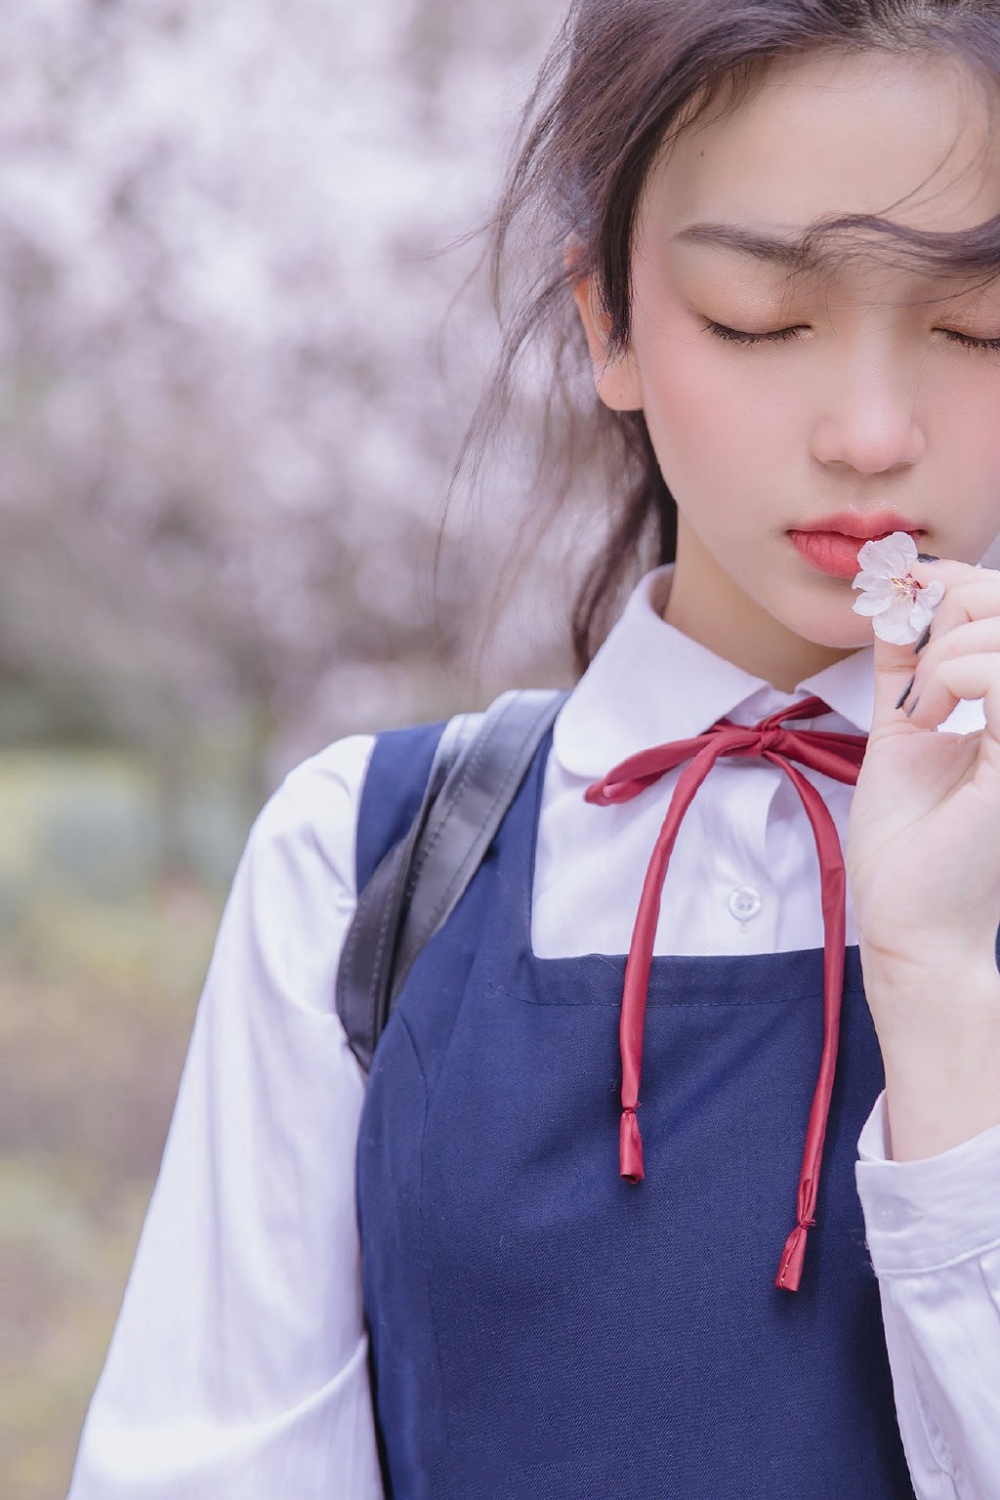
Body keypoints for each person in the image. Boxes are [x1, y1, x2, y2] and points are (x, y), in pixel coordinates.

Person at [68, 1, 1000, 1496]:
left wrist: (943, 992)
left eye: (976, 327)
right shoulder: (367, 857)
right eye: (761, 320)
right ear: (608, 323)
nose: (872, 432)